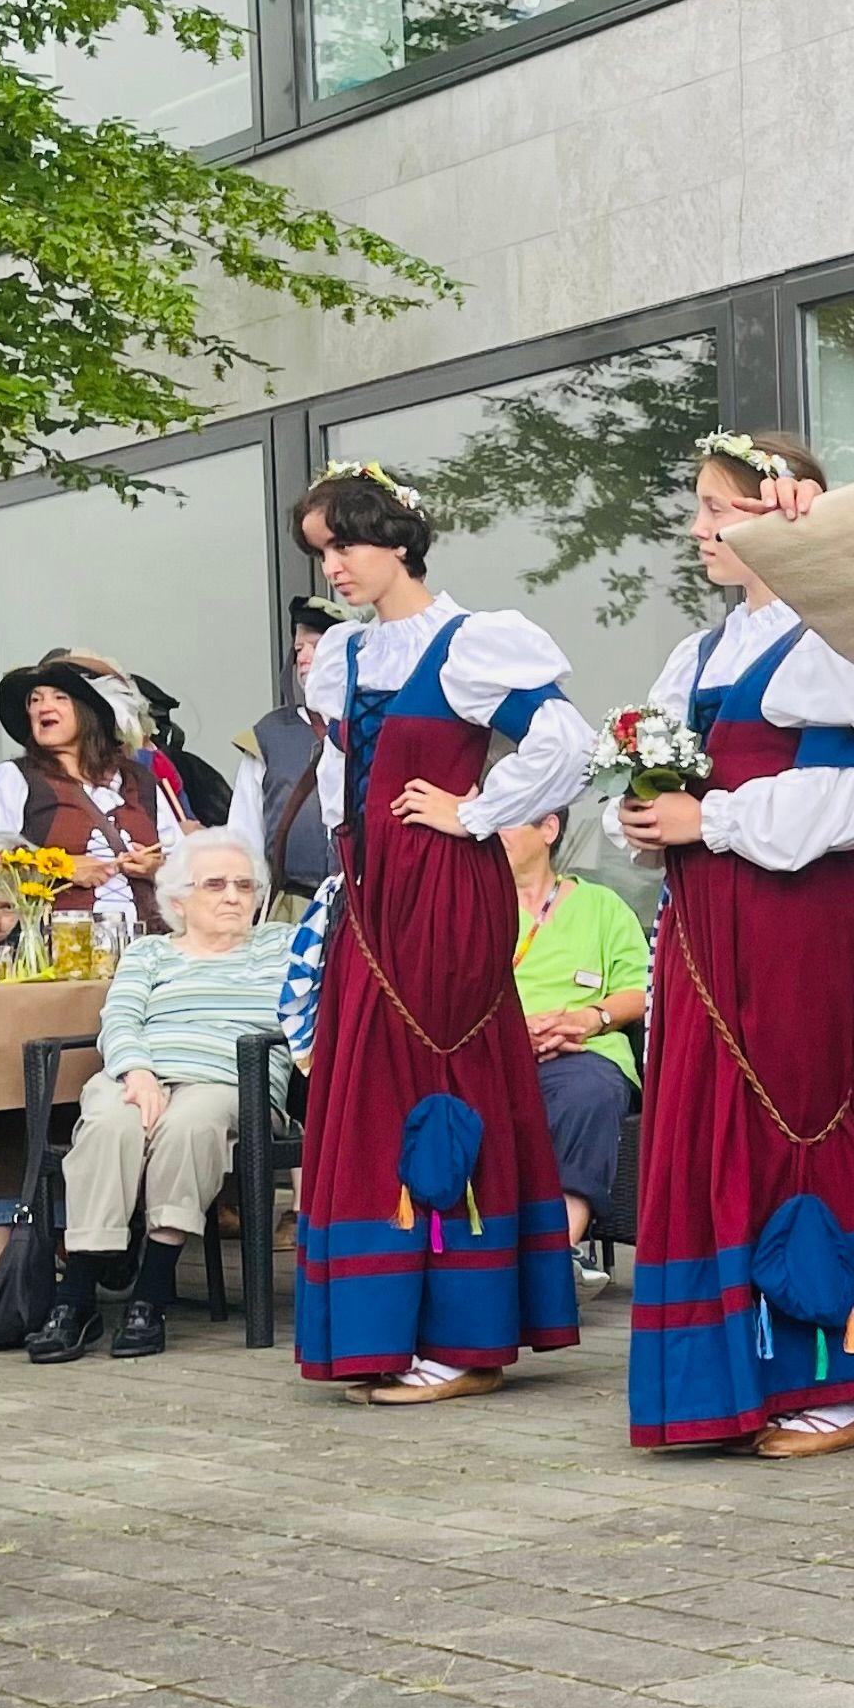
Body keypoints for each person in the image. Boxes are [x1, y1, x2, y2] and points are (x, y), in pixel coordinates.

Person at [618, 430, 854, 1457]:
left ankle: (840, 1383)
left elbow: (847, 799)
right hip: (705, 921)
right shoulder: (696, 655)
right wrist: (646, 822)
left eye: (718, 508)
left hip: (799, 919)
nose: (699, 528)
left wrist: (708, 820)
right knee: (712, 1121)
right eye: (698, 507)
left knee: (800, 1116)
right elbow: (670, 789)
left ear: (781, 512)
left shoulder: (833, 641)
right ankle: (736, 1380)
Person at [292, 460, 593, 1404]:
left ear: (397, 540)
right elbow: (342, 782)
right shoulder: (344, 657)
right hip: (372, 898)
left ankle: (466, 1340)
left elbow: (566, 741)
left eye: (344, 544)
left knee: (446, 1083)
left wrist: (476, 811)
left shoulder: (472, 644)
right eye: (322, 551)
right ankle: (393, 1327)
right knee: (375, 1094)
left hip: (445, 892)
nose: (333, 567)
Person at [30, 828, 293, 1363]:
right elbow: (120, 1018)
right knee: (110, 1123)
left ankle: (150, 1296)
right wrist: (137, 1072)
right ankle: (77, 1298)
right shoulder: (149, 952)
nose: (232, 896)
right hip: (142, 1076)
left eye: (244, 885)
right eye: (215, 884)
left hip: (231, 1081)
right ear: (178, 900)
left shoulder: (281, 947)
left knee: (188, 1125)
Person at [502, 805, 650, 1286]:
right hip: (497, 1049)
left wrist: (590, 1018)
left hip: (585, 1052)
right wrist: (511, 1031)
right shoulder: (477, 904)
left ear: (549, 828)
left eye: (509, 819)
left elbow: (641, 990)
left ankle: (556, 1255)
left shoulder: (602, 906)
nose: (495, 832)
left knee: (589, 1092)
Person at [0, 651, 183, 940]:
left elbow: (188, 869)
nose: (42, 707)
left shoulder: (141, 782)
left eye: (59, 697)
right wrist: (57, 868)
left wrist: (157, 868)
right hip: (59, 952)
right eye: (35, 700)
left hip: (149, 950)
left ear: (88, 712)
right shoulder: (13, 778)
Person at [230, 599, 343, 911]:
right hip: (293, 908)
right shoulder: (269, 735)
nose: (303, 658)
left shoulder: (375, 729)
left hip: (366, 905)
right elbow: (243, 837)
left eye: (315, 646)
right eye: (298, 649)